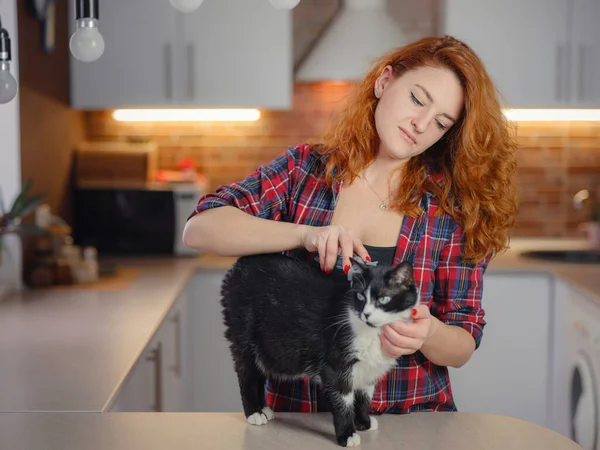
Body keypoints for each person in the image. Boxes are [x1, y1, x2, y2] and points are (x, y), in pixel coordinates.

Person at [182, 35, 519, 414]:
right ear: (385, 81)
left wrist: (429, 333)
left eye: (441, 122)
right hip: (300, 423)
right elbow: (200, 228)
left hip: (412, 424)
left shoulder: (450, 209)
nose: (421, 124)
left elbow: (463, 344)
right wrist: (305, 234)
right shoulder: (305, 170)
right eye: (417, 99)